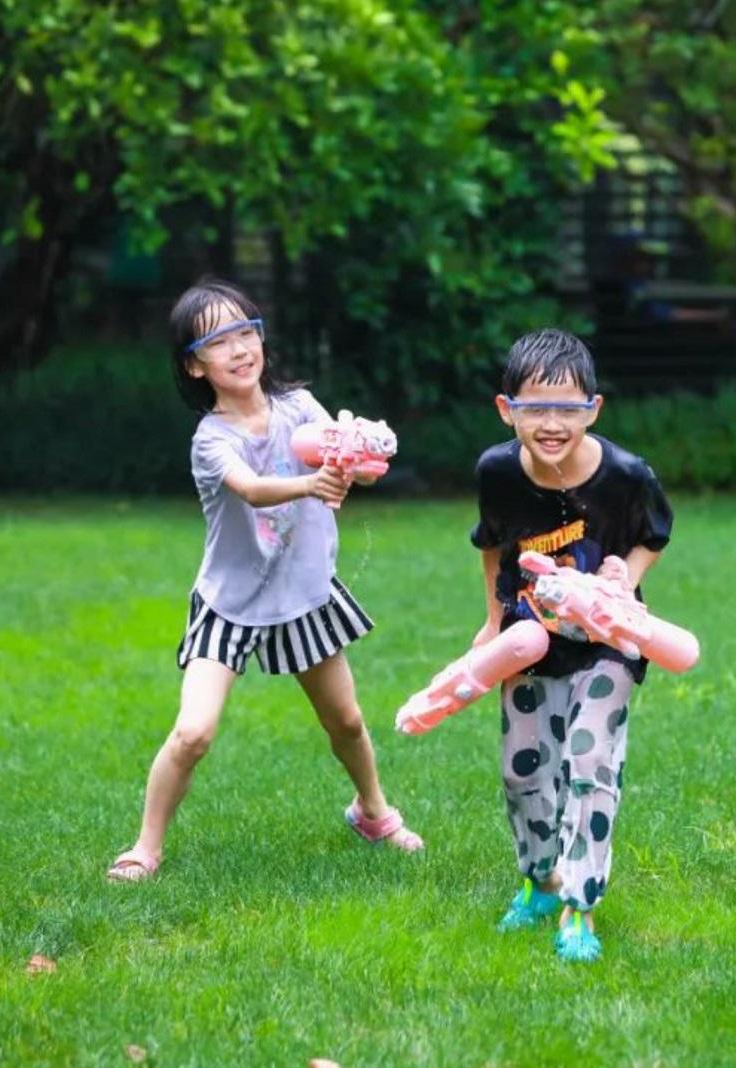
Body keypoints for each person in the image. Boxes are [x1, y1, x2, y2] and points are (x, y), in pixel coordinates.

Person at [106, 278, 422, 882]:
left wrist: (358, 463)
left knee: (348, 722)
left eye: (247, 331)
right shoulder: (211, 439)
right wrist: (311, 484)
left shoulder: (300, 409)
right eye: (219, 340)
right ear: (194, 364)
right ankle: (146, 847)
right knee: (194, 732)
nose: (240, 347)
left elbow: (341, 462)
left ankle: (373, 811)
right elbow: (251, 490)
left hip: (302, 595)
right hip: (230, 604)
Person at [469, 328, 674, 961]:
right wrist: (493, 620)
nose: (552, 423)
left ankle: (578, 906)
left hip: (609, 639)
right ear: (508, 410)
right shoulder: (497, 471)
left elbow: (654, 536)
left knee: (590, 764)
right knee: (522, 767)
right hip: (528, 638)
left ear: (594, 409)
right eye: (535, 408)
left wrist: (625, 578)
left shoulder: (627, 475)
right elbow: (494, 548)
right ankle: (538, 879)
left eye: (568, 408)